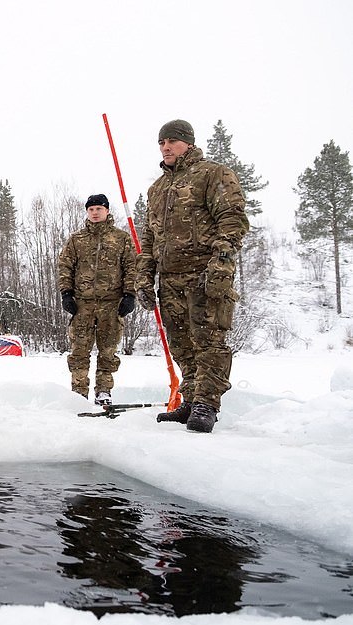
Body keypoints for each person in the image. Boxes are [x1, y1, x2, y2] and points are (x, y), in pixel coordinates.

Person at [136, 120, 249, 433]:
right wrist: (144, 275)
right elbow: (150, 237)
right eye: (161, 142)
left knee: (209, 340)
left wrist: (221, 264)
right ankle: (190, 399)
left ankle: (207, 404)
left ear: (188, 142)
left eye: (172, 141)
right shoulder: (157, 188)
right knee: (182, 343)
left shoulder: (213, 174)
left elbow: (232, 220)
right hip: (170, 277)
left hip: (204, 273)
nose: (166, 147)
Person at [57, 193, 138, 406]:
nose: (94, 213)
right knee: (79, 351)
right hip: (82, 305)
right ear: (87, 212)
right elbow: (65, 266)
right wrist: (66, 293)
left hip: (111, 304)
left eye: (99, 209)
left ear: (107, 211)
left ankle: (104, 391)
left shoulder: (121, 238)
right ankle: (78, 393)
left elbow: (131, 267)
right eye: (91, 209)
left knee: (108, 351)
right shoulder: (77, 239)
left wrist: (130, 294)